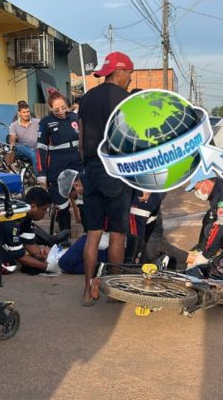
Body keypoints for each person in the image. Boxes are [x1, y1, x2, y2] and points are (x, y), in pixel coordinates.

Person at [77, 51, 134, 306]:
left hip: (91, 169)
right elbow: (133, 139)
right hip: (116, 169)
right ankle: (115, 291)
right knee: (118, 233)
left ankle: (88, 291)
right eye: (129, 74)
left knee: (93, 234)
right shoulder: (126, 99)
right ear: (120, 71)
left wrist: (86, 167)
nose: (130, 80)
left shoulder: (86, 98)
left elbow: (80, 141)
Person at [36, 91, 83, 233]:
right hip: (57, 165)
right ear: (50, 109)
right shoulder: (46, 122)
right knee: (62, 205)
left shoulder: (75, 117)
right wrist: (41, 173)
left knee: (84, 201)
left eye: (64, 107)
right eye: (57, 109)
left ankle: (88, 233)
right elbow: (41, 148)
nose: (62, 111)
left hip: (77, 162)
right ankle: (64, 236)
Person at [0, 187, 61, 274]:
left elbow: (29, 243)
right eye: (44, 209)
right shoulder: (13, 220)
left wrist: (43, 256)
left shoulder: (26, 214)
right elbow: (20, 256)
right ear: (33, 206)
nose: (45, 214)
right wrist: (47, 267)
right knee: (8, 266)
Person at [8, 100, 40, 168]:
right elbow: (12, 139)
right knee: (32, 154)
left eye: (28, 112)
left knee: (35, 153)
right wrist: (12, 145)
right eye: (24, 112)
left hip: (36, 148)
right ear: (19, 113)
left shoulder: (37, 122)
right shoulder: (14, 125)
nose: (26, 114)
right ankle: (39, 178)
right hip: (23, 148)